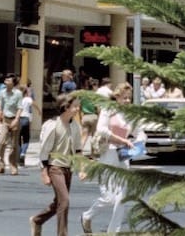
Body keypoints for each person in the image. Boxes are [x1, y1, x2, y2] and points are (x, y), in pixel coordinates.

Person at [81, 83, 138, 235]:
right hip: (109, 153)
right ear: (117, 97)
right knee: (109, 197)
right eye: (124, 98)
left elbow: (138, 131)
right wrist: (121, 139)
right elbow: (101, 129)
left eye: (129, 98)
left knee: (122, 197)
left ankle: (113, 231)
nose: (127, 101)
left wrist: (138, 141)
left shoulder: (129, 114)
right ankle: (87, 216)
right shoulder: (109, 110)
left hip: (124, 154)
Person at [29, 92, 83, 236]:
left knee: (59, 202)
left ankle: (37, 220)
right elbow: (44, 151)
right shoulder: (52, 125)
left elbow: (78, 149)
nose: (78, 109)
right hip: (55, 167)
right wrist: (44, 172)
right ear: (66, 107)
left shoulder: (75, 126)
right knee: (64, 201)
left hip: (68, 168)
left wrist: (81, 168)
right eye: (75, 106)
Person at [0, 73, 23, 175]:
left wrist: (16, 119)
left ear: (13, 83)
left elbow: (20, 107)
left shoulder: (18, 93)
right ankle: (1, 164)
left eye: (9, 80)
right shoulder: (2, 93)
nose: (6, 81)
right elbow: (0, 106)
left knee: (14, 145)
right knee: (1, 142)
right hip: (5, 120)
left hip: (14, 119)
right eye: (6, 79)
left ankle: (13, 165)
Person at [19, 84, 41, 166]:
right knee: (26, 138)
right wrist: (39, 111)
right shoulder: (28, 99)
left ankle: (19, 154)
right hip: (26, 119)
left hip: (18, 119)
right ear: (26, 92)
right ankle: (23, 153)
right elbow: (34, 104)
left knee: (18, 138)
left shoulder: (18, 98)